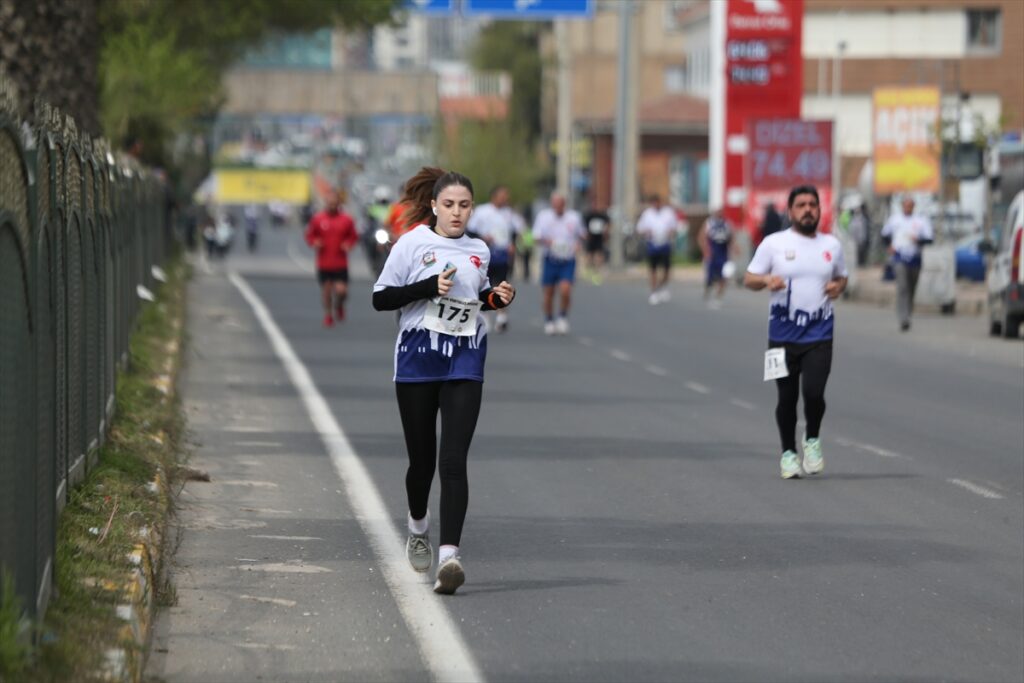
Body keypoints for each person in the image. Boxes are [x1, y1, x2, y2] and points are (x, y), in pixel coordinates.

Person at [372, 167, 515, 595]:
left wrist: (497, 297)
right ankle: (418, 526)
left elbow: (478, 297)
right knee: (422, 463)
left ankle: (450, 558)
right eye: (449, 205)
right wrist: (427, 286)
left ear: (473, 208)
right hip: (417, 360)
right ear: (434, 205)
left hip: (465, 359)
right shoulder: (411, 243)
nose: (457, 213)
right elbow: (382, 298)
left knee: (453, 461)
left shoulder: (479, 250)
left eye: (464, 205)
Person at [744, 185, 848, 480]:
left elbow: (842, 278)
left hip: (820, 334)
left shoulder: (831, 245)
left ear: (819, 210)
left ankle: (812, 439)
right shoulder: (773, 243)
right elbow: (748, 278)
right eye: (801, 205)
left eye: (812, 205)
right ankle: (788, 453)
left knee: (814, 394)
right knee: (786, 398)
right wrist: (766, 280)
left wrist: (837, 287)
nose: (807, 210)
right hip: (780, 336)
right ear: (790, 211)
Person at [467, 185, 524, 332]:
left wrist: (513, 244)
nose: (506, 198)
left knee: (502, 283)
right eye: (503, 195)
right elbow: (471, 231)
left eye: (507, 196)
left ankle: (501, 317)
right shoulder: (482, 211)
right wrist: (483, 238)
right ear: (495, 196)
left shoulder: (509, 213)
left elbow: (516, 231)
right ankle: (484, 315)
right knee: (484, 283)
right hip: (485, 253)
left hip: (503, 254)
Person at [533, 192, 586, 335]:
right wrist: (547, 241)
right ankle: (549, 319)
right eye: (555, 204)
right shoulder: (544, 217)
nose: (557, 207)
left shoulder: (574, 217)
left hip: (567, 259)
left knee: (565, 289)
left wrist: (578, 244)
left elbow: (581, 234)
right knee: (549, 292)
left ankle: (562, 316)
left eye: (560, 204)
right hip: (550, 258)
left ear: (564, 204)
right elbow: (536, 236)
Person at [305, 189, 359, 328]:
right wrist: (315, 242)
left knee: (342, 291)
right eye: (330, 203)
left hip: (340, 263)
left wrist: (348, 244)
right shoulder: (318, 219)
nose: (332, 205)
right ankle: (328, 315)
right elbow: (310, 235)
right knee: (327, 290)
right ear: (326, 203)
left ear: (338, 203)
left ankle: (339, 305)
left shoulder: (346, 220)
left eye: (335, 203)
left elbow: (353, 236)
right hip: (324, 263)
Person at [881, 197, 934, 331]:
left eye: (910, 205)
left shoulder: (921, 221)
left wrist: (919, 240)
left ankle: (908, 312)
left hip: (915, 258)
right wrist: (889, 246)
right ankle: (903, 317)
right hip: (899, 257)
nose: (908, 208)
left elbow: (929, 239)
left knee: (911, 288)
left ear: (914, 206)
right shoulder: (895, 220)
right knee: (902, 287)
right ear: (902, 206)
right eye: (906, 205)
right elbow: (884, 235)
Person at [636, 195, 679, 304]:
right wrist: (647, 232)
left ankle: (661, 286)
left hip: (665, 244)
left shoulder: (668, 213)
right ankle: (653, 291)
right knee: (653, 269)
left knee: (667, 271)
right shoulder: (647, 214)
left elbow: (675, 228)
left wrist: (671, 232)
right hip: (652, 244)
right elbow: (640, 229)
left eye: (658, 202)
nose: (656, 205)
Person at [699, 207, 734, 307]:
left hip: (723, 253)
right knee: (710, 276)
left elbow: (731, 237)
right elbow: (702, 237)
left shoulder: (727, 224)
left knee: (724, 275)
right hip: (713, 253)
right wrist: (705, 251)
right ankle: (707, 291)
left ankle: (718, 296)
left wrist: (733, 248)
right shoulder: (709, 223)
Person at [582, 204, 611, 284]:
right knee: (589, 254)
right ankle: (589, 270)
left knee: (598, 255)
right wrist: (586, 234)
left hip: (599, 238)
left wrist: (606, 232)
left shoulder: (602, 216)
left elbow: (608, 223)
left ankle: (597, 272)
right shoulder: (589, 215)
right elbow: (584, 225)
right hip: (591, 238)